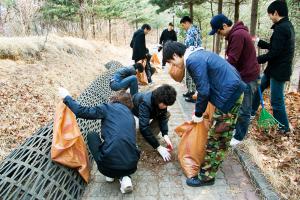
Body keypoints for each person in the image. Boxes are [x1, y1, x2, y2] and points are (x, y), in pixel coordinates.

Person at [163, 41, 246, 187]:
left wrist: (198, 113)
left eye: (172, 62)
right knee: (219, 136)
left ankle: (207, 177)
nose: (174, 66)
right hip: (231, 91)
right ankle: (210, 168)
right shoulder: (197, 55)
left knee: (217, 138)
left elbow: (204, 90)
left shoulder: (192, 60)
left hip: (229, 95)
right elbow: (206, 84)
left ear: (176, 55)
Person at [58, 88, 140, 194]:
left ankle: (110, 174)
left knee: (92, 135)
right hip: (132, 166)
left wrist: (67, 97)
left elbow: (81, 111)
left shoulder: (107, 108)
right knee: (125, 143)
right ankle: (125, 177)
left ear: (115, 99)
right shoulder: (131, 116)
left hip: (107, 167)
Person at [208, 14, 260, 146]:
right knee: (239, 106)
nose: (220, 35)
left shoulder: (237, 35)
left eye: (219, 31)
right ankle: (236, 130)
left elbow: (231, 61)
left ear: (224, 26)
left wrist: (218, 72)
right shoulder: (236, 34)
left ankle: (239, 137)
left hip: (247, 77)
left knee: (244, 109)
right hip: (242, 76)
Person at [251, 0, 295, 134]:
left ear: (275, 13)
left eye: (270, 14)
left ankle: (284, 128)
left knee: (276, 100)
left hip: (279, 70)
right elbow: (277, 47)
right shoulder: (286, 25)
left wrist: (255, 60)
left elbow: (274, 52)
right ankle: (251, 112)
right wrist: (259, 42)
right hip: (274, 68)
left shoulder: (281, 28)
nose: (270, 17)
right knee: (259, 86)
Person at [132, 84, 177, 162]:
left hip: (150, 111)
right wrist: (158, 147)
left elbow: (163, 116)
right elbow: (144, 127)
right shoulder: (145, 102)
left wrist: (165, 134)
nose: (165, 107)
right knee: (141, 129)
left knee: (166, 114)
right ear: (158, 99)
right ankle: (140, 140)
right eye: (164, 104)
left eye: (167, 105)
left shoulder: (161, 100)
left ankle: (148, 138)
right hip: (134, 112)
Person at [180, 16, 202, 103]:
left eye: (183, 25)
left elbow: (188, 44)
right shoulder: (194, 29)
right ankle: (190, 91)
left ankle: (193, 94)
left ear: (187, 23)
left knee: (192, 75)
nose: (183, 27)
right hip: (194, 55)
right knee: (189, 75)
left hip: (193, 55)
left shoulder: (192, 31)